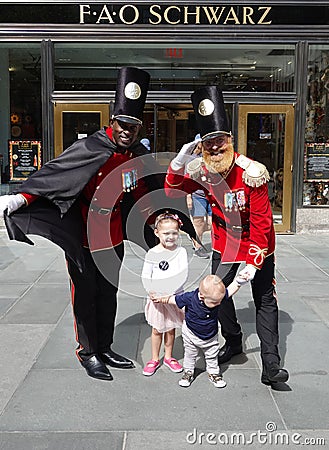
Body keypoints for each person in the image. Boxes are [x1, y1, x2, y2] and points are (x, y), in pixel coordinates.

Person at [0, 67, 196, 382]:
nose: (127, 131)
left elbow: (149, 191)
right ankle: (87, 352)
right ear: (112, 122)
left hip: (114, 236)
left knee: (108, 293)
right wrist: (21, 198)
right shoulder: (90, 147)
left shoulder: (137, 154)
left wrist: (164, 216)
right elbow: (57, 174)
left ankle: (105, 347)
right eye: (123, 125)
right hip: (83, 235)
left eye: (133, 127)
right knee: (85, 294)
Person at [164, 85, 289, 386]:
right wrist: (179, 161)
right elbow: (171, 190)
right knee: (217, 298)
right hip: (224, 247)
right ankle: (233, 341)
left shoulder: (251, 173)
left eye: (220, 141)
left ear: (230, 141)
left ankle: (270, 363)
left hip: (258, 247)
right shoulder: (202, 172)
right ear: (203, 148)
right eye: (209, 144)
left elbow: (262, 222)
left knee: (265, 300)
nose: (216, 149)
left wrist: (253, 262)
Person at [151, 274, 247, 388]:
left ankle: (213, 373)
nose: (219, 304)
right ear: (202, 296)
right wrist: (161, 299)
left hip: (210, 335)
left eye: (220, 301)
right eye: (215, 303)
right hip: (191, 333)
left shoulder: (217, 297)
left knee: (212, 355)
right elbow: (174, 300)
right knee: (190, 355)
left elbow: (230, 290)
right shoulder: (190, 297)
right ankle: (188, 372)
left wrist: (239, 282)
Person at [141, 212, 187, 376]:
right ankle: (154, 358)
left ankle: (168, 356)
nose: (170, 236)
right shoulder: (152, 253)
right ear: (157, 233)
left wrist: (170, 293)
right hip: (157, 299)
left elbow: (183, 274)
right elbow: (146, 275)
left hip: (173, 297)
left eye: (174, 233)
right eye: (166, 233)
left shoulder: (181, 252)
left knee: (171, 328)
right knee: (156, 329)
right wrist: (152, 291)